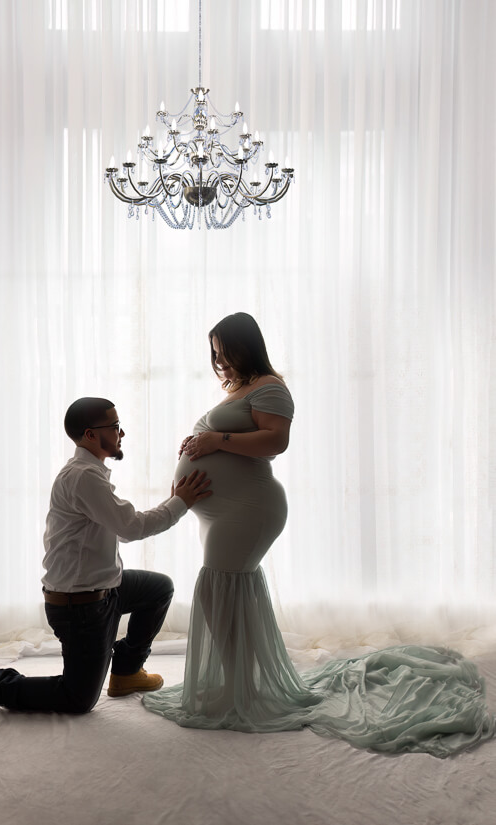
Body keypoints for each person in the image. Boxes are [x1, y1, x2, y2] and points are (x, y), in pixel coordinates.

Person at [143, 312, 495, 757]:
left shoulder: (270, 386)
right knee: (223, 591)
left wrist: (215, 441)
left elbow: (275, 441)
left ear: (245, 347)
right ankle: (239, 684)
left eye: (224, 353)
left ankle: (239, 689)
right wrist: (200, 443)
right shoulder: (240, 388)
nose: (219, 362)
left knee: (220, 589)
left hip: (248, 509)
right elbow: (228, 436)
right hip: (222, 511)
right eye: (214, 354)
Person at [0, 397, 212, 714]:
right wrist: (179, 502)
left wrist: (174, 501)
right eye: (115, 427)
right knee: (78, 699)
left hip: (105, 589)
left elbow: (121, 524)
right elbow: (130, 528)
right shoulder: (83, 477)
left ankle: (126, 672)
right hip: (81, 607)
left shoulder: (90, 473)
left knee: (159, 588)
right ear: (90, 435)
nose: (122, 433)